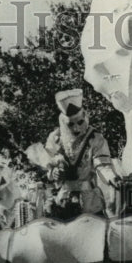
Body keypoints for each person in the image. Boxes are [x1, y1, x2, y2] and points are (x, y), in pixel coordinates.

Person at [43, 89, 119, 220]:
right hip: (64, 201)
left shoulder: (95, 138)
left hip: (90, 201)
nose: (76, 128)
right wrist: (53, 173)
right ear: (63, 122)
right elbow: (47, 168)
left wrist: (112, 177)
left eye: (80, 122)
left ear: (85, 117)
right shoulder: (54, 138)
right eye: (70, 125)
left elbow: (102, 164)